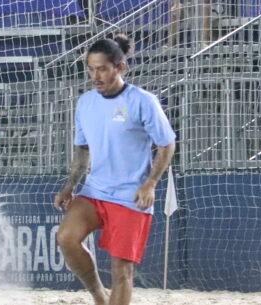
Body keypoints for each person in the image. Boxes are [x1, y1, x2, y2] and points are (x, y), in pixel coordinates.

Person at [53, 34, 176, 305]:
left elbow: (167, 145)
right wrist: (69, 186)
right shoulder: (85, 103)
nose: (95, 75)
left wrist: (151, 184)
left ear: (120, 68)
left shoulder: (143, 101)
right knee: (66, 237)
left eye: (102, 69)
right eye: (90, 69)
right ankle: (100, 297)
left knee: (122, 271)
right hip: (95, 191)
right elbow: (82, 150)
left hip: (130, 197)